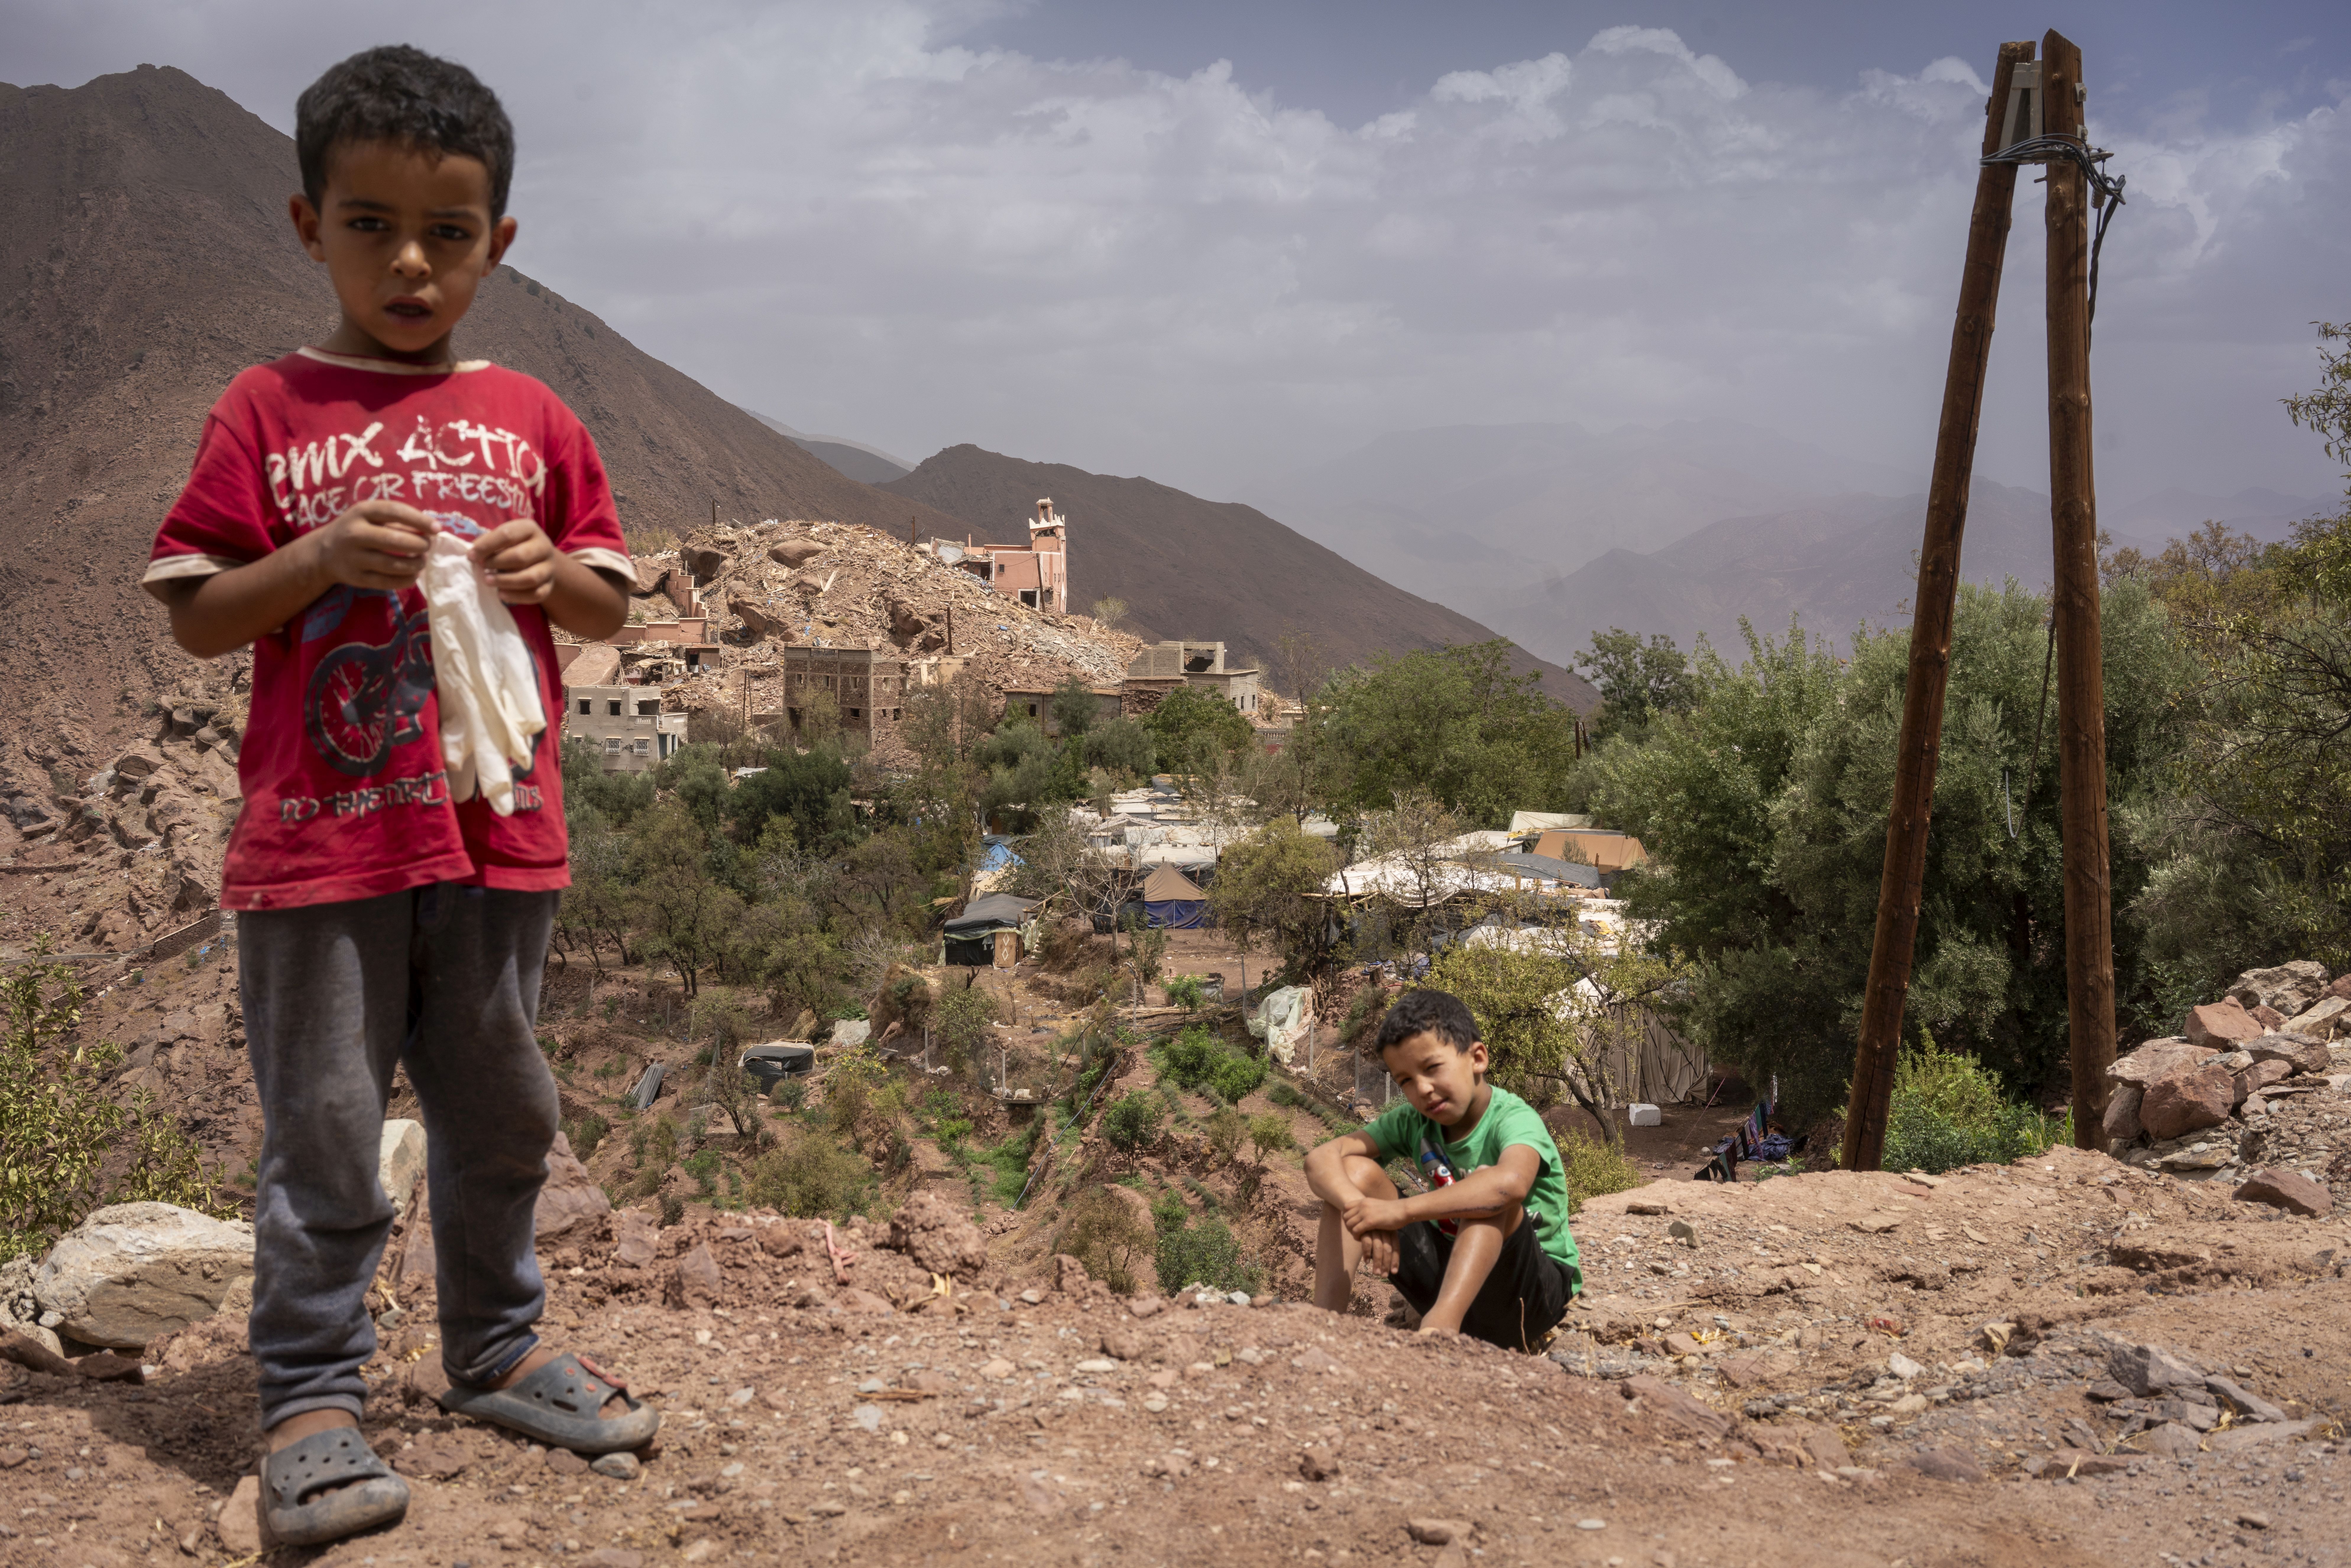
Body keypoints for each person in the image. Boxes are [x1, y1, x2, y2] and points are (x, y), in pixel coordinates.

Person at [143, 45, 654, 1548]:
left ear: (500, 240)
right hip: (322, 844)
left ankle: (498, 1347)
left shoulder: (535, 415)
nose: (410, 261)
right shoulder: (267, 407)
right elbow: (195, 609)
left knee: (502, 1112)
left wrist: (547, 574)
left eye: (447, 230)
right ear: (310, 227)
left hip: (501, 839)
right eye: (369, 225)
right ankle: (308, 1395)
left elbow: (610, 599)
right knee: (325, 1123)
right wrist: (313, 564)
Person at [1304, 989, 1581, 1351]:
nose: (1422, 1089)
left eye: (1433, 1068)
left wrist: (1396, 1212)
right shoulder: (1413, 1121)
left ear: (1477, 1058)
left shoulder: (1513, 1119)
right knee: (1354, 1172)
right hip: (1451, 1278)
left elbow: (1508, 1187)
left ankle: (1438, 1334)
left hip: (1527, 1300)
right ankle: (1321, 1325)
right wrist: (1362, 1213)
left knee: (1485, 1192)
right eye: (1405, 1080)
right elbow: (1321, 1159)